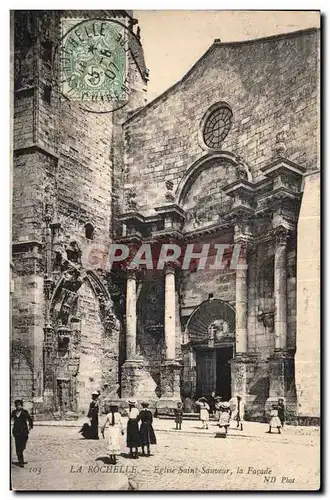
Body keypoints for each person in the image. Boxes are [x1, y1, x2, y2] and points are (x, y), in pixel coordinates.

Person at [11, 399, 33, 468]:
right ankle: (21, 462)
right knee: (18, 447)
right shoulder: (14, 412)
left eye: (19, 405)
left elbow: (29, 419)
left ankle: (21, 454)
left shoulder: (24, 412)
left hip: (24, 432)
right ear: (15, 406)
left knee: (22, 446)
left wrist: (30, 426)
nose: (18, 407)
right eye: (17, 405)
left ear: (21, 405)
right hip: (16, 432)